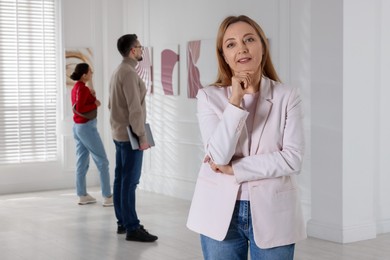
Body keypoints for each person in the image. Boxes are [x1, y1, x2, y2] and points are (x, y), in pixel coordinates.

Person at [187, 15, 306, 259]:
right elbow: (219, 155)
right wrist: (235, 102)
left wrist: (235, 169)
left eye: (249, 39)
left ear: (263, 46)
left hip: (275, 212)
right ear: (224, 56)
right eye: (231, 44)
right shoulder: (208, 97)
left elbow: (292, 159)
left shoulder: (287, 96)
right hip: (218, 213)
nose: (241, 48)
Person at [108, 34, 158, 242]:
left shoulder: (119, 70)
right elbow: (134, 109)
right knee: (129, 182)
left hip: (119, 133)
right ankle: (132, 227)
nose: (142, 50)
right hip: (130, 136)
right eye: (139, 47)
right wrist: (141, 136)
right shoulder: (128, 73)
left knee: (121, 179)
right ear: (132, 51)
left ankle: (123, 222)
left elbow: (112, 105)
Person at [70, 63, 113, 207]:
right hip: (87, 128)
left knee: (82, 162)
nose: (92, 74)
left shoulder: (76, 87)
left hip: (77, 127)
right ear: (84, 75)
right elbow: (82, 108)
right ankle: (107, 196)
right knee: (102, 161)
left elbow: (79, 105)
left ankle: (82, 195)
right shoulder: (82, 88)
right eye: (90, 72)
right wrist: (96, 104)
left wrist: (91, 95)